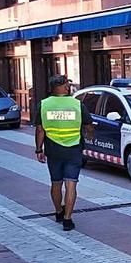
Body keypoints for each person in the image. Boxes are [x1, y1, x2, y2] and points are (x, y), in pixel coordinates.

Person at [33, 75, 95, 232]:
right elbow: (88, 126)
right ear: (60, 86)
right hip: (74, 150)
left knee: (56, 183)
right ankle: (68, 219)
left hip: (53, 150)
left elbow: (40, 129)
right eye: (67, 84)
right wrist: (90, 136)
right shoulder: (77, 104)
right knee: (71, 184)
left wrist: (39, 149)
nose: (69, 87)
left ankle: (59, 212)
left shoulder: (44, 105)